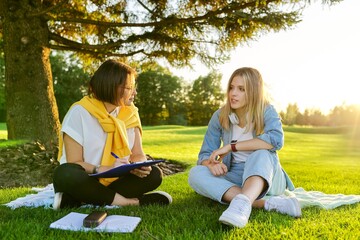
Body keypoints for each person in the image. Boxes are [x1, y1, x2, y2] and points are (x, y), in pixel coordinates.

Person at [188, 67, 301, 228]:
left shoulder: (267, 110)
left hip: (266, 174)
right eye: (231, 88)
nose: (233, 93)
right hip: (234, 174)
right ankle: (263, 203)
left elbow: (276, 140)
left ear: (254, 91)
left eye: (241, 89)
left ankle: (241, 205)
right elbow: (204, 155)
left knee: (260, 153)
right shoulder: (220, 116)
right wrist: (211, 164)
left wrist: (231, 147)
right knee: (195, 173)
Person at [52, 59, 172, 209]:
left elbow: (137, 154)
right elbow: (74, 162)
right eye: (130, 88)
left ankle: (81, 200)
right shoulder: (79, 112)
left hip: (116, 180)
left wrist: (139, 165)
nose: (135, 92)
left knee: (154, 174)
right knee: (65, 173)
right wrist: (100, 169)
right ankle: (131, 202)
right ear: (113, 87)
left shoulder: (130, 113)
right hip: (85, 179)